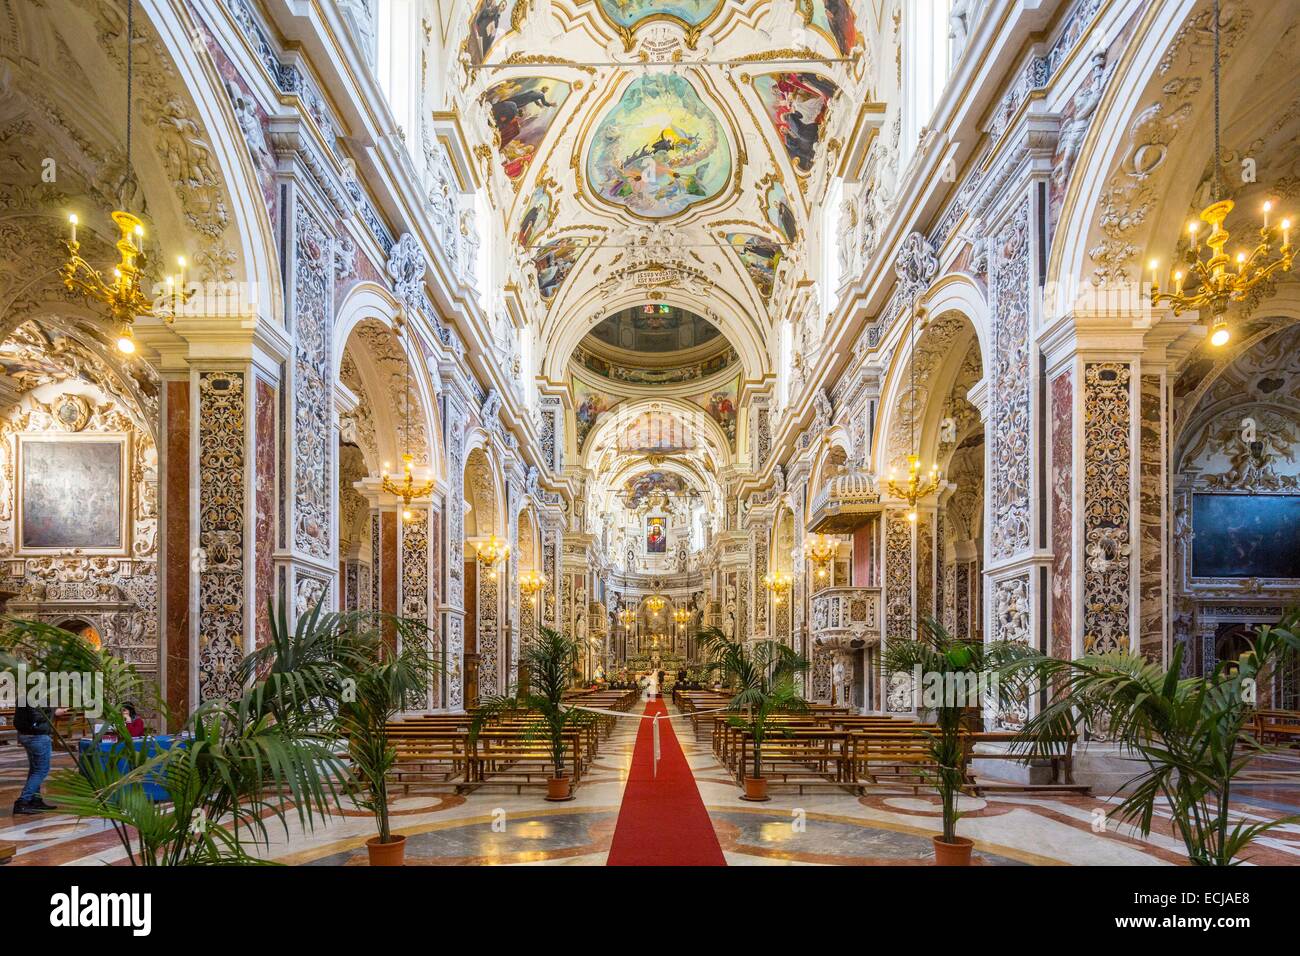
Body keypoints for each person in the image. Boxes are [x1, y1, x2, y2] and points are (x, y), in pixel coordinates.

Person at [12, 704, 65, 815]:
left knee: (35, 770)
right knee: (41, 770)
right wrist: (54, 712)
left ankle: (35, 800)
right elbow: (36, 716)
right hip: (36, 736)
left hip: (27, 735)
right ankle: (23, 802)